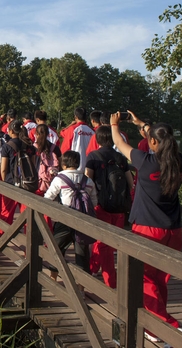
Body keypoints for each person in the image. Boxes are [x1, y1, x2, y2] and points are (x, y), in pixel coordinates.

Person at [110, 111, 182, 343]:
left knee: (143, 278)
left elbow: (118, 142)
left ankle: (162, 327)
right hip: (173, 230)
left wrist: (115, 123)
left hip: (148, 229)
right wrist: (142, 124)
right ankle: (159, 319)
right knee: (160, 278)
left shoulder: (145, 162)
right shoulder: (180, 161)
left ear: (153, 142)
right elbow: (158, 138)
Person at [85, 126, 134, 289]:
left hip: (102, 205)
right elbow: (130, 182)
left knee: (102, 242)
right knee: (112, 242)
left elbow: (88, 182)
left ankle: (111, 282)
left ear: (97, 140)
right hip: (119, 207)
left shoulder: (93, 157)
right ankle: (93, 268)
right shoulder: (120, 158)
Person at [44, 150, 97, 285]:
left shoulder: (60, 179)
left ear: (64, 164)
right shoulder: (88, 180)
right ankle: (81, 287)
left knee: (57, 249)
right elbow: (94, 202)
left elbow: (48, 198)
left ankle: (53, 279)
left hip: (64, 219)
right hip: (83, 221)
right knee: (82, 254)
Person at [60, 107, 94, 171]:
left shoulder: (73, 129)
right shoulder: (92, 131)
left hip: (73, 165)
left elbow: (65, 148)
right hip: (89, 166)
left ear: (76, 117)